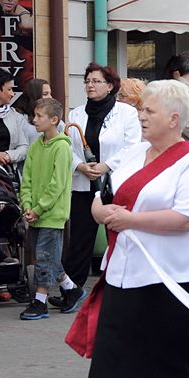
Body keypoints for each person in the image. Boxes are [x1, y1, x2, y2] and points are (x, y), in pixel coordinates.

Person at [74, 79, 189, 378]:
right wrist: (103, 213)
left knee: (167, 353)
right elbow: (101, 199)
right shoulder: (131, 153)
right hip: (123, 270)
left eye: (148, 111)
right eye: (140, 110)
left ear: (174, 118)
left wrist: (130, 219)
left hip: (174, 274)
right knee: (115, 353)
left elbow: (187, 217)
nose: (140, 116)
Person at [62, 63, 141, 297]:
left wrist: (106, 166)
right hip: (83, 183)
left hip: (114, 183)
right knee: (79, 238)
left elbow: (133, 147)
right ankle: (72, 289)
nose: (90, 85)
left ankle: (123, 285)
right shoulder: (76, 114)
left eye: (96, 81)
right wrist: (80, 166)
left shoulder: (125, 113)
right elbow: (67, 146)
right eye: (87, 81)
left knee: (116, 234)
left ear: (109, 86)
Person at [18, 98, 84, 320]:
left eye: (39, 116)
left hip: (52, 215)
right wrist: (27, 205)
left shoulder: (62, 148)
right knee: (47, 256)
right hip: (36, 213)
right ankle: (72, 290)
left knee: (44, 258)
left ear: (54, 120)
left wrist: (38, 208)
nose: (34, 120)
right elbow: (26, 177)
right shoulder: (36, 145)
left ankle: (40, 301)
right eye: (34, 115)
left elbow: (57, 185)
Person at [12, 78, 55, 143]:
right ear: (34, 96)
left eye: (50, 93)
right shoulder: (18, 118)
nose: (50, 97)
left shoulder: (53, 117)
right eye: (45, 94)